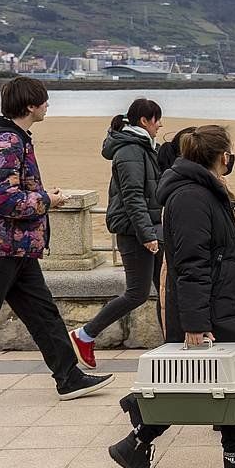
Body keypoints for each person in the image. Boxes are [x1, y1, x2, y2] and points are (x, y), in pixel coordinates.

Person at [107, 125, 235, 468]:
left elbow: (209, 250)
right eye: (230, 152)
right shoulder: (192, 196)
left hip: (222, 300)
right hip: (212, 306)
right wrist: (194, 322)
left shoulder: (204, 191)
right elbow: (191, 264)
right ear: (221, 156)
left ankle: (137, 441)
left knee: (220, 381)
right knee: (224, 381)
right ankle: (231, 464)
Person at [0, 75, 113, 412]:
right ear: (30, 105)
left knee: (43, 314)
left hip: (18, 248)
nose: (47, 105)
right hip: (0, 247)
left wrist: (40, 196)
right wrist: (46, 200)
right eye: (43, 100)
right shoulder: (6, 143)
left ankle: (68, 377)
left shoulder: (16, 139)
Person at [70, 99, 164, 369]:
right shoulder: (131, 150)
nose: (159, 125)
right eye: (156, 120)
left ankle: (174, 343)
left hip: (150, 228)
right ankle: (84, 334)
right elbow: (133, 196)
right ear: (144, 121)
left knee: (167, 289)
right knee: (137, 292)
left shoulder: (143, 147)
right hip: (135, 231)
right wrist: (147, 234)